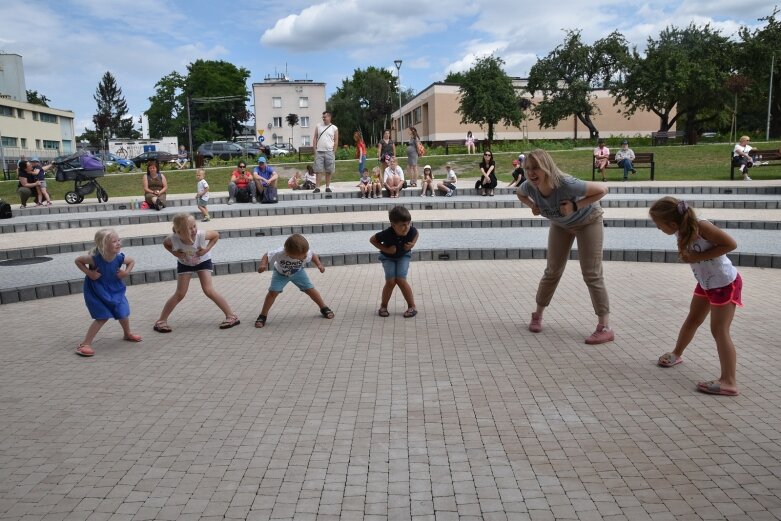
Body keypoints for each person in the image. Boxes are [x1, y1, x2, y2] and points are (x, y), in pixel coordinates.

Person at [516, 149, 615, 344]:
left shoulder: (566, 184)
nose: (531, 173)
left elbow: (602, 190)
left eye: (536, 168)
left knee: (591, 273)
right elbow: (519, 193)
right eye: (528, 168)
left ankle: (605, 327)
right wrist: (532, 206)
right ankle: (538, 314)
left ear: (546, 167)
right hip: (561, 225)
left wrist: (576, 206)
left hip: (588, 221)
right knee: (552, 271)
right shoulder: (529, 187)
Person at [649, 197, 742, 396]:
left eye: (659, 225)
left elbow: (731, 244)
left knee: (719, 330)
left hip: (724, 283)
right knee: (693, 318)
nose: (658, 229)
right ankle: (677, 353)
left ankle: (729, 381)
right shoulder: (682, 228)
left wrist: (695, 258)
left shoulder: (702, 226)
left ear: (672, 223)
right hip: (706, 282)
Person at [153, 213, 240, 332]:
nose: (194, 230)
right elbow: (165, 244)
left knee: (208, 290)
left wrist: (206, 249)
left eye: (194, 226)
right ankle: (161, 321)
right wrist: (175, 253)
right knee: (180, 293)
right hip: (185, 264)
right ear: (179, 231)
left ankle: (231, 316)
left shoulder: (201, 235)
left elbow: (216, 235)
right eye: (190, 228)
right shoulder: (173, 238)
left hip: (203, 261)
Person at [73, 229, 142, 357]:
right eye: (114, 241)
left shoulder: (119, 257)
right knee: (102, 316)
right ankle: (85, 343)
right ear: (103, 245)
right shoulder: (94, 259)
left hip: (115, 289)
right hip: (97, 290)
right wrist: (90, 273)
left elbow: (131, 261)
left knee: (122, 311)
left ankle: (127, 333)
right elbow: (78, 260)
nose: (118, 243)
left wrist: (126, 273)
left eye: (118, 240)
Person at [254, 233, 334, 328]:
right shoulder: (280, 253)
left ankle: (324, 307)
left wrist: (319, 265)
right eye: (301, 256)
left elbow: (313, 255)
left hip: (298, 272)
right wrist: (263, 265)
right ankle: (263, 315)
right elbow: (266, 255)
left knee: (310, 289)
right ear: (288, 253)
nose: (304, 257)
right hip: (280, 274)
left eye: (305, 254)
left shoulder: (305, 253)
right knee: (272, 292)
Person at [370, 205, 419, 318]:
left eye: (408, 223)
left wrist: (413, 244)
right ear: (393, 225)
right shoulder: (386, 233)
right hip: (388, 258)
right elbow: (372, 240)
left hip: (403, 256)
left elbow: (416, 233)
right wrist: (386, 249)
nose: (406, 227)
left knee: (401, 279)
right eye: (402, 225)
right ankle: (383, 306)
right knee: (391, 281)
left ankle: (412, 306)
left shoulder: (411, 231)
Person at [312, 110, 338, 193]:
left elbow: (336, 140)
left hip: (329, 152)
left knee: (329, 170)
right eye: (323, 117)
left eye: (325, 117)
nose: (323, 118)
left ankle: (327, 187)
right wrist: (315, 150)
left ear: (329, 117)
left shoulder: (334, 128)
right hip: (319, 151)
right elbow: (315, 138)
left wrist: (334, 151)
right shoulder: (318, 126)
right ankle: (317, 187)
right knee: (318, 170)